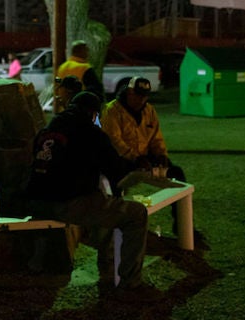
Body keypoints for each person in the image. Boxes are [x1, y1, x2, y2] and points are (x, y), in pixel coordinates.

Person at [25, 91, 163, 302]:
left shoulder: (47, 131)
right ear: (93, 113)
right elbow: (117, 172)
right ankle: (130, 282)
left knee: (102, 204)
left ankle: (103, 262)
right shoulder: (91, 134)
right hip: (66, 203)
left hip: (36, 202)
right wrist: (136, 170)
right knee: (135, 214)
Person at [101, 76, 187, 233]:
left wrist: (162, 155)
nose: (142, 99)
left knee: (177, 174)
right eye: (138, 95)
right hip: (120, 160)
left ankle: (182, 224)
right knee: (115, 184)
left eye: (145, 96)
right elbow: (114, 141)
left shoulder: (149, 110)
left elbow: (156, 137)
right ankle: (116, 226)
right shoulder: (112, 110)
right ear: (129, 92)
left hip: (143, 159)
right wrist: (135, 158)